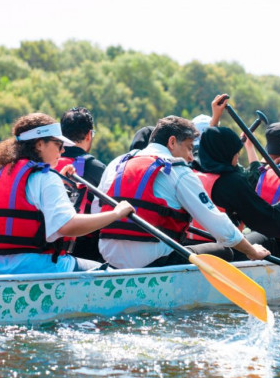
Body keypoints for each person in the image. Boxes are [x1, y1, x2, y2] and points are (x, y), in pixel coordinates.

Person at [93, 115, 270, 269]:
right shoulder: (177, 170)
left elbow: (96, 211)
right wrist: (252, 250)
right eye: (188, 147)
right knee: (225, 251)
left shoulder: (117, 163)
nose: (191, 157)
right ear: (171, 142)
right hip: (153, 262)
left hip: (111, 258)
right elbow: (217, 224)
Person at [0, 113, 134, 274]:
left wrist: (59, 179)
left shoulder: (6, 171)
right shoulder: (45, 178)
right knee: (114, 275)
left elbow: (33, 198)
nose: (62, 150)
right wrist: (116, 213)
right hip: (41, 266)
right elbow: (68, 226)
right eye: (58, 144)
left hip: (1, 267)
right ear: (40, 144)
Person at [187, 126, 280, 247]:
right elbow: (266, 221)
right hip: (221, 251)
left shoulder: (191, 172)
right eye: (235, 153)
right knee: (267, 238)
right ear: (226, 153)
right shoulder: (231, 182)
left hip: (188, 245)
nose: (237, 157)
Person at [54, 106, 107, 262]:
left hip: (47, 244)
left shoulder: (47, 163)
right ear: (89, 135)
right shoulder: (97, 168)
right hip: (84, 249)